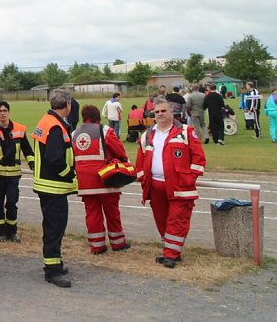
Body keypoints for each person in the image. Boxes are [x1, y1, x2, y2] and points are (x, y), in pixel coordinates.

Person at [135, 98, 206, 268]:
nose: (160, 114)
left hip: (179, 187)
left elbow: (199, 158)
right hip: (155, 187)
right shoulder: (148, 135)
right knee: (162, 221)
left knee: (177, 220)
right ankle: (171, 249)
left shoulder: (186, 132)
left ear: (171, 112)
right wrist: (143, 180)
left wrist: (190, 178)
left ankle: (171, 255)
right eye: (157, 112)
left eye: (163, 111)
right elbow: (140, 160)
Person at [32, 88, 78, 288]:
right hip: (53, 187)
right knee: (54, 228)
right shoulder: (56, 127)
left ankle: (55, 263)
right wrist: (70, 174)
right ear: (67, 105)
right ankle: (52, 270)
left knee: (53, 227)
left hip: (47, 185)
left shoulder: (47, 121)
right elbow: (55, 159)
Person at [72, 104, 130, 254]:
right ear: (98, 116)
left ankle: (97, 246)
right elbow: (120, 151)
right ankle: (118, 243)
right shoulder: (105, 131)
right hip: (105, 179)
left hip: (84, 182)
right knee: (112, 212)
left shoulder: (74, 134)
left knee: (92, 213)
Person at [0, 101, 35, 243]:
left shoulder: (19, 129)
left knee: (12, 203)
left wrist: (32, 163)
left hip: (13, 175)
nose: (2, 113)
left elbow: (28, 151)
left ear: (9, 112)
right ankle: (1, 233)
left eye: (5, 110)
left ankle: (12, 232)